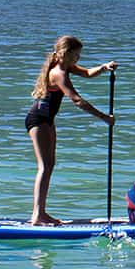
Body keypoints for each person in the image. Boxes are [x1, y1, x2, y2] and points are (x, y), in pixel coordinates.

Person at [23, 35, 116, 226]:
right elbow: (77, 100)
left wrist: (104, 67)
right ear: (65, 54)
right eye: (76, 56)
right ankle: (37, 216)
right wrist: (103, 117)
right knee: (44, 166)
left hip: (47, 120)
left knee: (50, 166)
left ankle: (41, 213)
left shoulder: (66, 67)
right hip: (38, 120)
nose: (78, 60)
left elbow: (89, 73)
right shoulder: (59, 73)